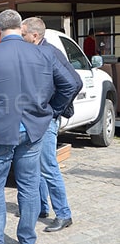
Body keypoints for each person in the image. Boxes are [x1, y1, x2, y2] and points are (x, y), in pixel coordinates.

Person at [0, 9, 78, 244]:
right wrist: (51, 110)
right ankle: (27, 241)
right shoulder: (44, 52)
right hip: (33, 129)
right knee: (29, 184)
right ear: (20, 28)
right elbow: (71, 83)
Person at [21, 17, 81, 232]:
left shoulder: (50, 53)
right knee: (37, 165)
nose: (21, 38)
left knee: (48, 166)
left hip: (46, 119)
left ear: (34, 36)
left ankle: (64, 214)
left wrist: (54, 110)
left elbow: (74, 83)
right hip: (39, 118)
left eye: (23, 34)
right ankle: (41, 207)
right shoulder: (38, 50)